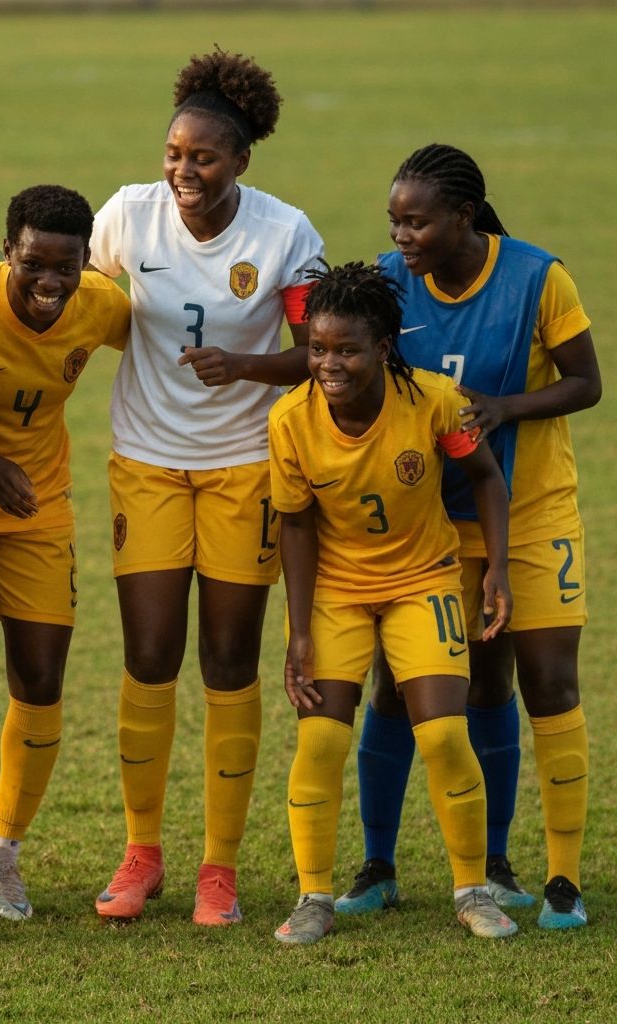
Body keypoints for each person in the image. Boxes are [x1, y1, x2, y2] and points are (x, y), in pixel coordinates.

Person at [335, 144, 600, 930]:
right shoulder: (390, 282)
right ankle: (378, 866)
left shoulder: (537, 277)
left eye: (416, 222)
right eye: (394, 220)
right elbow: (343, 362)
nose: (401, 235)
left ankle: (551, 875)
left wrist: (506, 407)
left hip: (532, 511)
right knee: (399, 685)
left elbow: (587, 382)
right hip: (429, 526)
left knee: (539, 683)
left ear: (463, 216)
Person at [89, 47, 324, 927]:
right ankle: (140, 853)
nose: (183, 172)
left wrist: (245, 366)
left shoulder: (284, 234)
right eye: (174, 154)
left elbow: (319, 352)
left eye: (204, 158)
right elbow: (79, 299)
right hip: (146, 461)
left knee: (228, 661)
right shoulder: (128, 216)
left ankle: (218, 868)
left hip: (243, 468)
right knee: (150, 655)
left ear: (242, 160)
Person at [269, 260, 518, 944]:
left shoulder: (435, 400)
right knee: (321, 740)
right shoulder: (290, 420)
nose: (329, 364)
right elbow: (296, 526)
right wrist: (298, 632)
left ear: (382, 348)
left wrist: (496, 568)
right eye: (318, 348)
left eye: (347, 350)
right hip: (336, 591)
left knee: (442, 734)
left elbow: (485, 478)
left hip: (423, 581)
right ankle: (314, 897)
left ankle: (472, 891)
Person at [0, 185, 130, 923]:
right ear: (5, 253)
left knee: (41, 682)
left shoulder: (101, 305)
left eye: (65, 267)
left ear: (85, 262)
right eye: (33, 264)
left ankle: (3, 854)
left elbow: (165, 342)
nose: (49, 282)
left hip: (41, 511)